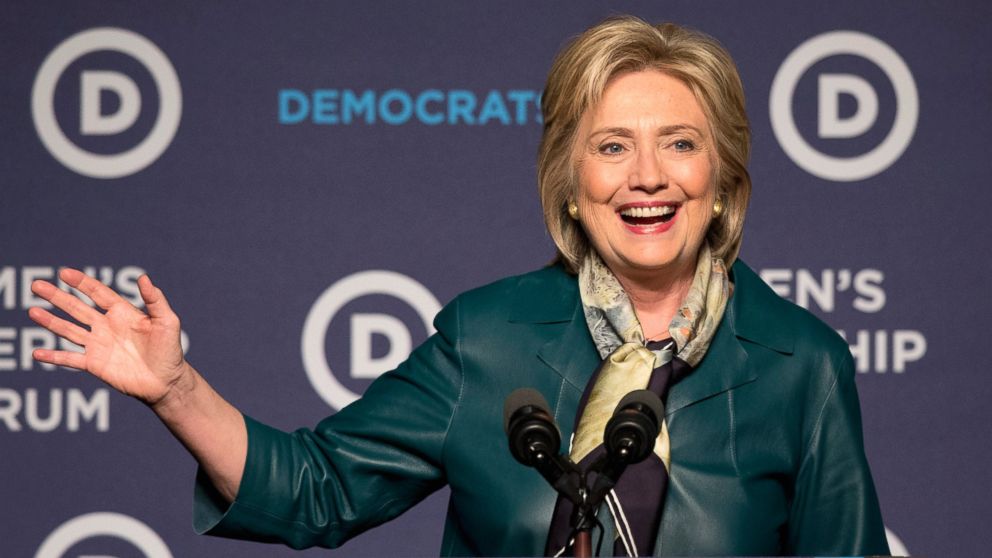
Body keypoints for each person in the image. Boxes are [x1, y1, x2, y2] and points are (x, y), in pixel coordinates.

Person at [27, 15, 889, 557]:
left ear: (724, 176)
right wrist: (175, 389)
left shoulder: (800, 364)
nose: (648, 177)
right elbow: (316, 490)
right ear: (570, 182)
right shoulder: (489, 337)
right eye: (612, 145)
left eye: (681, 143)